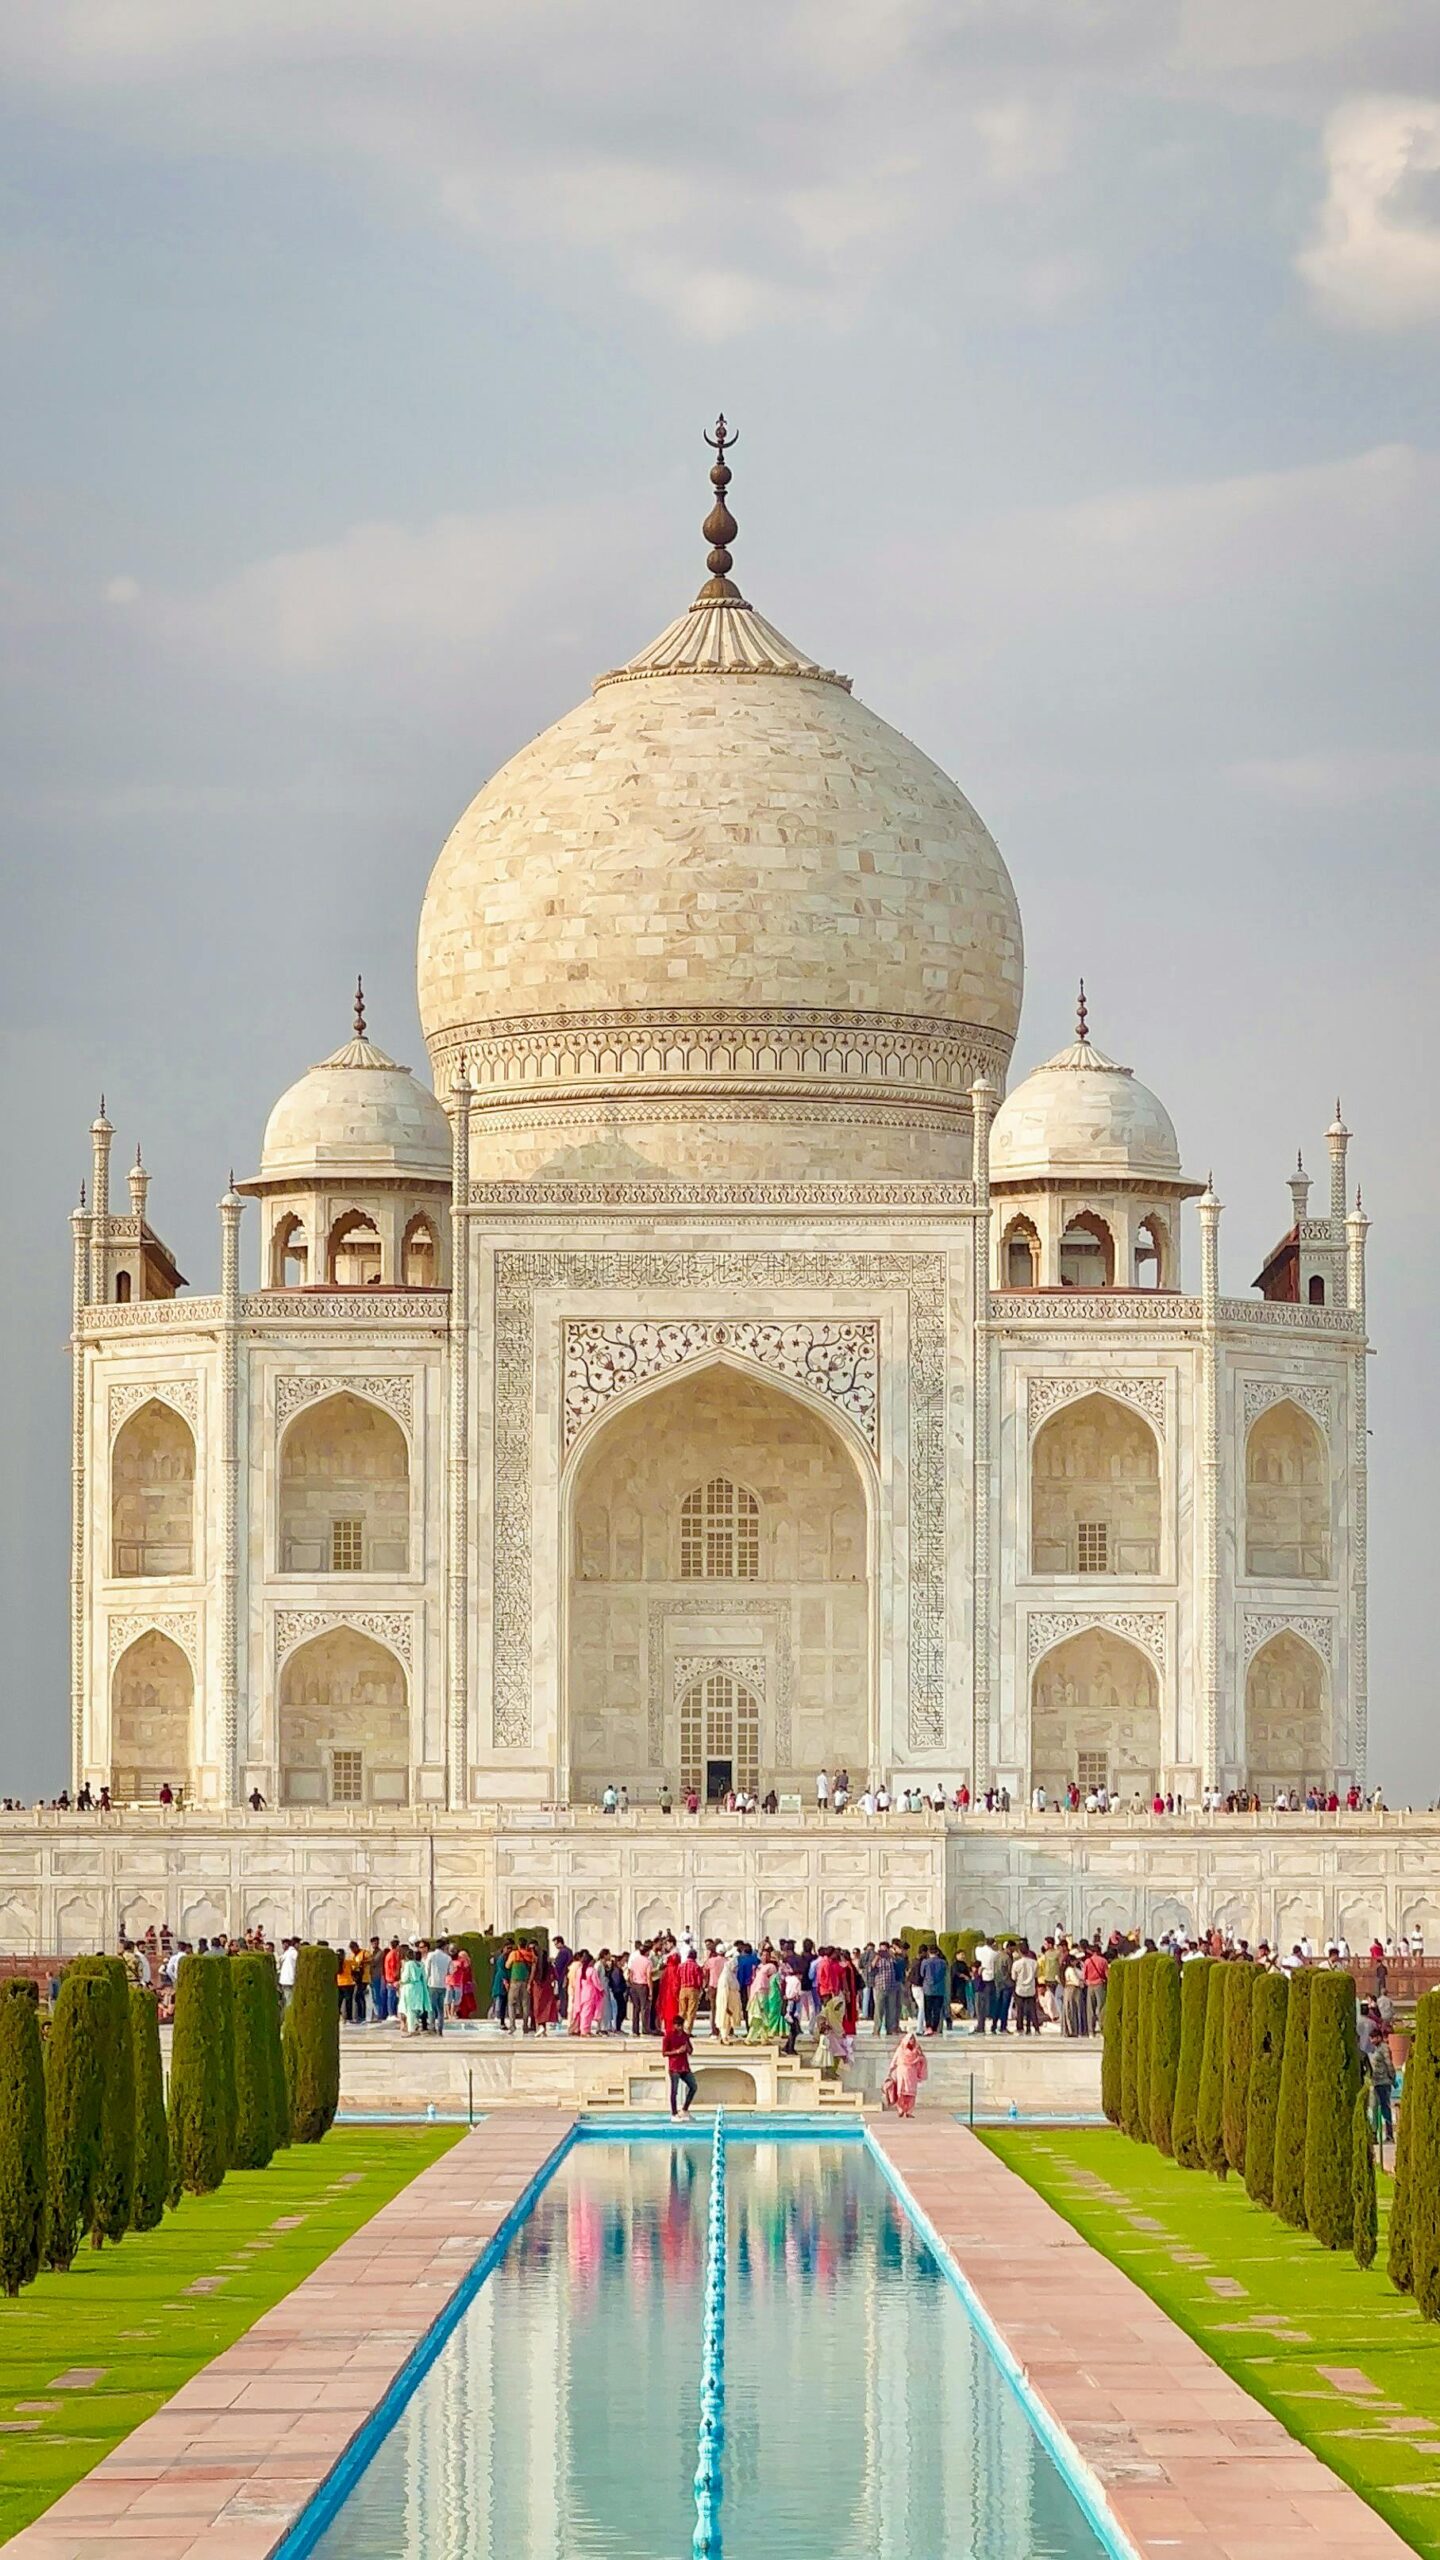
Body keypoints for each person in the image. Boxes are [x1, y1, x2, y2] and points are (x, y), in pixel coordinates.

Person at [885, 2028, 929, 2120]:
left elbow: (922, 2060)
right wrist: (890, 2070)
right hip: (901, 2072)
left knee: (911, 2094)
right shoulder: (901, 2049)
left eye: (912, 2039)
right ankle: (901, 2110)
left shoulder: (917, 2050)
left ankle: (909, 2111)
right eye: (910, 2039)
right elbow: (895, 2059)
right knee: (900, 2093)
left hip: (912, 2073)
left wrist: (920, 2059)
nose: (911, 2041)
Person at [662, 2015, 697, 2116]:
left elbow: (691, 2051)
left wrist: (687, 2048)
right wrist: (677, 2051)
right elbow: (664, 2053)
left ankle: (685, 2109)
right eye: (678, 2025)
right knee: (674, 2091)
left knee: (693, 2086)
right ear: (674, 2025)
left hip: (684, 2067)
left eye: (681, 2025)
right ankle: (674, 2113)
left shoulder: (685, 2036)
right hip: (674, 2067)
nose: (680, 2028)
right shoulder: (668, 2036)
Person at [423, 1936, 452, 2034]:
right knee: (440, 2009)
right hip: (442, 1985)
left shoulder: (431, 1955)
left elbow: (427, 1970)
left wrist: (425, 1982)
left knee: (431, 2008)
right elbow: (450, 1972)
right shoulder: (448, 1958)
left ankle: (432, 2027)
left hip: (432, 1984)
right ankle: (440, 2028)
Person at [398, 1944, 427, 2034]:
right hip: (419, 1987)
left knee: (409, 2008)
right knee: (416, 2008)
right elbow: (424, 1976)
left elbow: (405, 1977)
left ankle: (411, 2029)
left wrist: (401, 1982)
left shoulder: (408, 1964)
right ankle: (415, 2024)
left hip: (409, 1987)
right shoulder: (420, 1964)